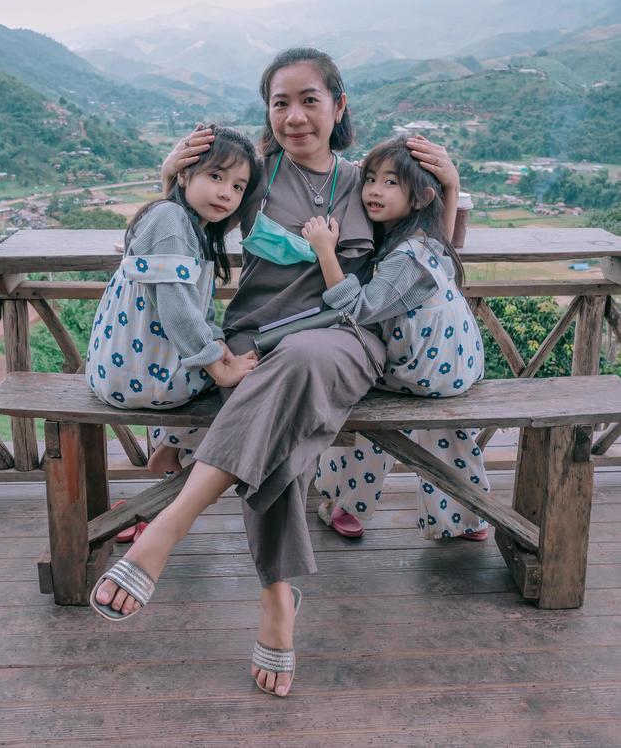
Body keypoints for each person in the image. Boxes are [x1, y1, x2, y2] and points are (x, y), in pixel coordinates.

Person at [90, 48, 460, 700]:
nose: (294, 115)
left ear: (338, 107)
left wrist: (450, 190)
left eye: (309, 99)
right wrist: (169, 177)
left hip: (344, 341)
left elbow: (425, 255)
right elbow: (181, 230)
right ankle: (277, 603)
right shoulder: (254, 178)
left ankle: (169, 529)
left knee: (297, 365)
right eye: (280, 102)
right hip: (252, 340)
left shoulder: (368, 179)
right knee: (278, 411)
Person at [303, 135, 489, 541]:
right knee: (450, 435)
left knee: (351, 399)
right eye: (370, 178)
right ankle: (466, 516)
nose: (373, 190)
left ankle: (343, 503)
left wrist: (325, 252)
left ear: (420, 198)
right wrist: (451, 187)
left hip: (416, 372)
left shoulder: (407, 257)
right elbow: (445, 229)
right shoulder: (426, 240)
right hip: (453, 369)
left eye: (391, 182)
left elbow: (359, 309)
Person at [86, 125, 261, 476]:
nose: (226, 193)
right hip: (148, 379)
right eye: (216, 176)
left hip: (117, 372)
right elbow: (178, 306)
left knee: (235, 357)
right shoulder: (170, 220)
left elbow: (192, 309)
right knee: (260, 380)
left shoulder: (181, 222)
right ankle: (171, 449)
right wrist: (219, 365)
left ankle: (168, 455)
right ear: (183, 174)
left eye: (238, 187)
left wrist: (216, 345)